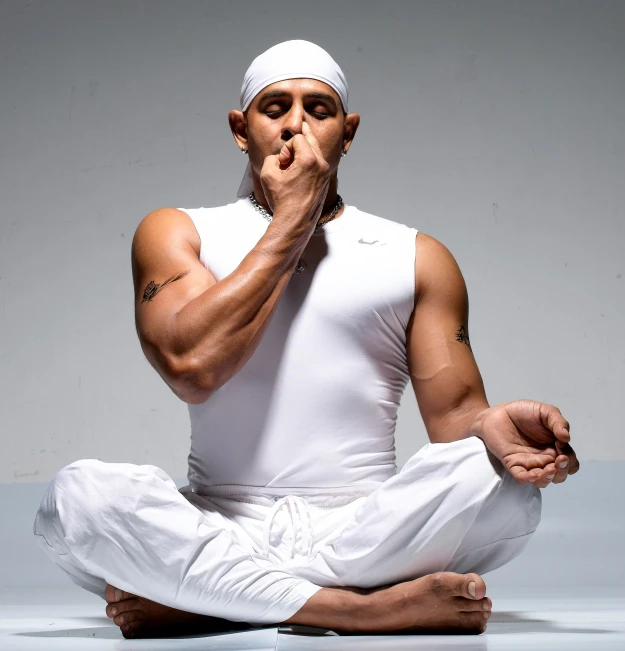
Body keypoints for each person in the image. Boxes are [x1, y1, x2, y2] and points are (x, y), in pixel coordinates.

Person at [33, 40, 579, 639]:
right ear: (242, 130)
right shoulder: (178, 231)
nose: (296, 123)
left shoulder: (416, 256)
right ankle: (358, 608)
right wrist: (294, 218)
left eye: (319, 109)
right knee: (77, 498)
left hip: (365, 527)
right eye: (275, 108)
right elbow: (192, 367)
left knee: (500, 487)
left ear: (348, 132)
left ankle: (210, 597)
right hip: (219, 520)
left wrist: (494, 425)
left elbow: (455, 416)